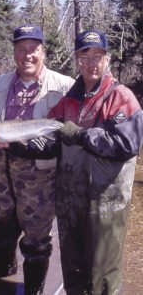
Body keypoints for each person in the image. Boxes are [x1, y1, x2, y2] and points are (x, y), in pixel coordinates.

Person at [0, 23, 75, 294]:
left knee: (36, 242)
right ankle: (5, 282)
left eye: (33, 49)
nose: (27, 55)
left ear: (43, 53)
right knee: (1, 234)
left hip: (43, 181)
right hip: (2, 176)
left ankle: (33, 290)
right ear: (14, 53)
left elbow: (74, 136)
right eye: (21, 49)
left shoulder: (65, 86)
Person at [46, 29, 143, 294]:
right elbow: (49, 140)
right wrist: (10, 141)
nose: (91, 63)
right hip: (69, 204)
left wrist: (80, 134)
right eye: (84, 56)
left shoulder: (121, 97)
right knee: (73, 271)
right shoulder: (68, 101)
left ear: (107, 59)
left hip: (106, 205)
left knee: (102, 279)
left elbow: (128, 144)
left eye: (98, 55)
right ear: (76, 59)